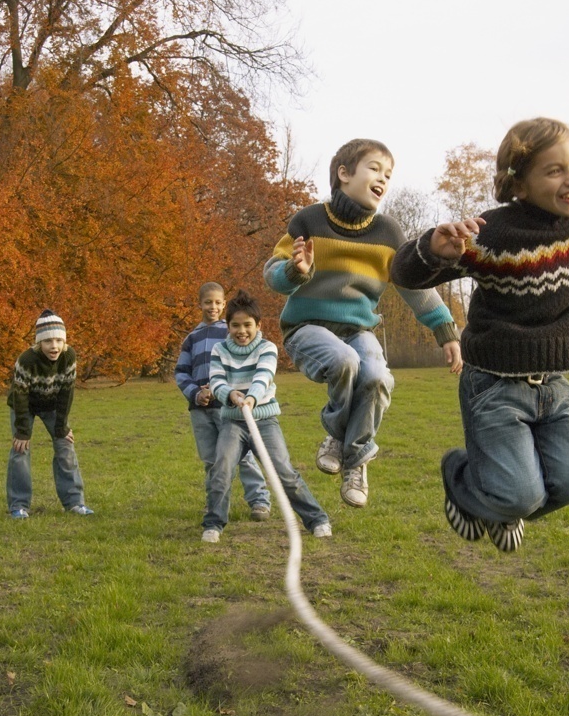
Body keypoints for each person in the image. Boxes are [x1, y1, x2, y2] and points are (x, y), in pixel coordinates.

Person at [391, 114, 569, 552]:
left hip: (555, 383)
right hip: (493, 384)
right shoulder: (493, 234)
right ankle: (471, 480)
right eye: (554, 171)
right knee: (523, 493)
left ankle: (498, 503)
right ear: (519, 185)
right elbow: (404, 273)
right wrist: (433, 251)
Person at [264, 138, 462, 509]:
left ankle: (351, 454)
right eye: (375, 168)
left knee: (378, 376)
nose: (383, 179)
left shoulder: (388, 232)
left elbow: (412, 285)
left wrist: (445, 329)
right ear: (344, 174)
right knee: (345, 362)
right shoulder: (309, 220)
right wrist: (295, 269)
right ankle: (346, 444)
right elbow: (272, 275)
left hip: (358, 331)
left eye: (388, 174)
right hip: (307, 328)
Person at [202, 290, 331, 543]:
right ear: (227, 327)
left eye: (247, 325)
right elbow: (216, 381)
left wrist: (251, 397)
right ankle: (214, 523)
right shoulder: (219, 350)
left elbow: (264, 376)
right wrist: (231, 395)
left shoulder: (267, 348)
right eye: (235, 325)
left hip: (264, 421)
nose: (242, 331)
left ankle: (317, 519)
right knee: (221, 470)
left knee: (284, 472)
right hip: (233, 421)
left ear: (258, 325)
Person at [175, 281, 272, 522]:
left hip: (228, 408)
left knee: (242, 456)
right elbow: (181, 372)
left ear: (224, 304)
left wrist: (223, 390)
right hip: (200, 409)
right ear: (199, 304)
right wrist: (196, 393)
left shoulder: (229, 333)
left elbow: (243, 365)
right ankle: (216, 504)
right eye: (208, 302)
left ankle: (259, 500)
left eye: (218, 302)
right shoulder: (192, 338)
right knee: (211, 460)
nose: (213, 307)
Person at [5, 309, 94, 519]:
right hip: (24, 406)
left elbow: (66, 393)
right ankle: (19, 505)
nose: (53, 346)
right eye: (47, 341)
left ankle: (74, 502)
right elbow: (20, 396)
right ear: (39, 343)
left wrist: (61, 427)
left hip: (53, 405)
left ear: (64, 342)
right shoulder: (26, 360)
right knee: (20, 450)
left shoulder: (68, 357)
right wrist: (22, 432)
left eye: (58, 341)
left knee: (66, 446)